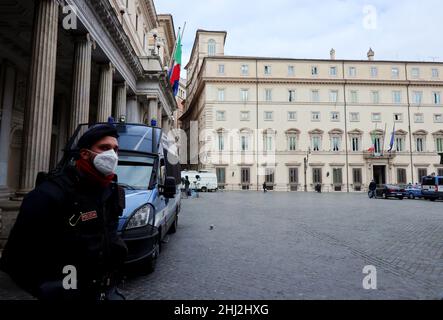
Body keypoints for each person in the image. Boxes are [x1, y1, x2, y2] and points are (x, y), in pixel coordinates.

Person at [0, 124, 128, 300]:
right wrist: (52, 289)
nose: (112, 155)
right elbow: (16, 261)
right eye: (104, 148)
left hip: (104, 291)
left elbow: (108, 234)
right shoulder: (48, 194)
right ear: (84, 153)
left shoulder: (111, 191)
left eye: (115, 149)